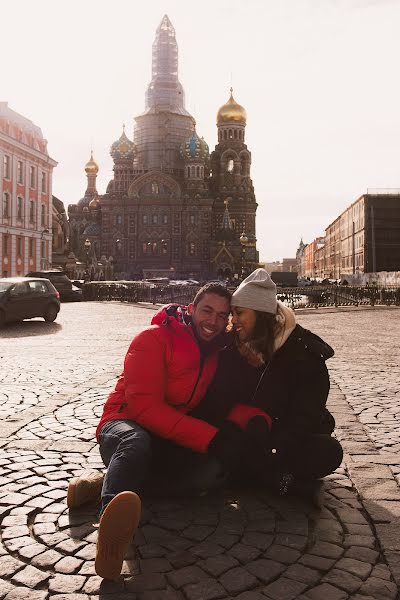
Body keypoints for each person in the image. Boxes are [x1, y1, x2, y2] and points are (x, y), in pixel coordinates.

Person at [67, 282, 270, 581]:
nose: (213, 321)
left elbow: (216, 404)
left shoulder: (214, 355)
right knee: (135, 443)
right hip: (123, 423)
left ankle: (103, 483)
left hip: (165, 435)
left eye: (221, 315)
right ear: (191, 308)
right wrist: (209, 438)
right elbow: (143, 408)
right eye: (207, 311)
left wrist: (255, 418)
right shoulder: (152, 338)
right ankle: (109, 527)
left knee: (209, 475)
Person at [191, 268, 343, 500]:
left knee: (328, 450)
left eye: (239, 313)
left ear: (261, 314)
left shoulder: (304, 353)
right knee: (221, 447)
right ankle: (277, 482)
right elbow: (217, 400)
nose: (233, 321)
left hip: (282, 441)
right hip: (244, 435)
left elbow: (304, 417)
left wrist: (271, 450)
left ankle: (260, 476)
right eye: (232, 313)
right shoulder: (232, 347)